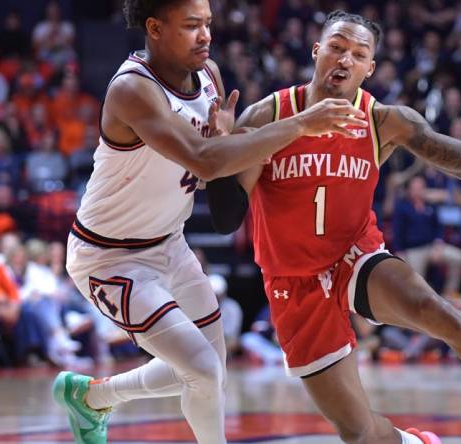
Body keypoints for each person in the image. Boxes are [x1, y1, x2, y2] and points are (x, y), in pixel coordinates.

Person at [225, 10, 461, 444]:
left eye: (358, 54)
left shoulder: (384, 120)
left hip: (353, 254)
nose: (345, 60)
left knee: (435, 310)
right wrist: (225, 149)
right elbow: (226, 213)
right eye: (336, 47)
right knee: (360, 432)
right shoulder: (267, 115)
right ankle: (414, 443)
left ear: (370, 68)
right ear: (316, 51)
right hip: (293, 281)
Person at [50, 1, 368, 443]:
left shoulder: (209, 75)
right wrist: (299, 125)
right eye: (191, 26)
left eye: (208, 24)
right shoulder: (132, 89)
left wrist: (227, 139)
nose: (205, 35)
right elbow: (202, 159)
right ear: (155, 28)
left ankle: (93, 398)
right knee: (199, 368)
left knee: (209, 370)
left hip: (169, 243)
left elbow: (208, 167)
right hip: (110, 257)